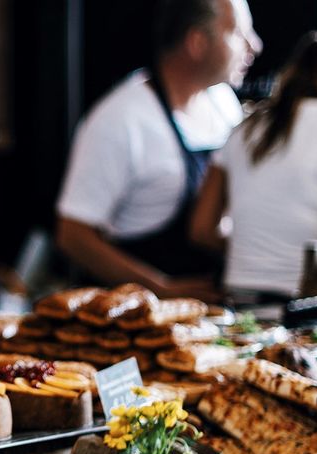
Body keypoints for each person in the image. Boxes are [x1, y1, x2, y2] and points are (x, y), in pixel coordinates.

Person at [56, 0, 260, 301]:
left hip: (211, 310)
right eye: (238, 33)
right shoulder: (121, 119)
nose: (254, 45)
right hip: (135, 317)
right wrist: (160, 289)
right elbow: (73, 236)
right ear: (197, 42)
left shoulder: (223, 103)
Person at [190, 25, 317, 300]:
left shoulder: (246, 127)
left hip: (238, 302)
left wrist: (257, 254)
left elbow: (201, 230)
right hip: (306, 307)